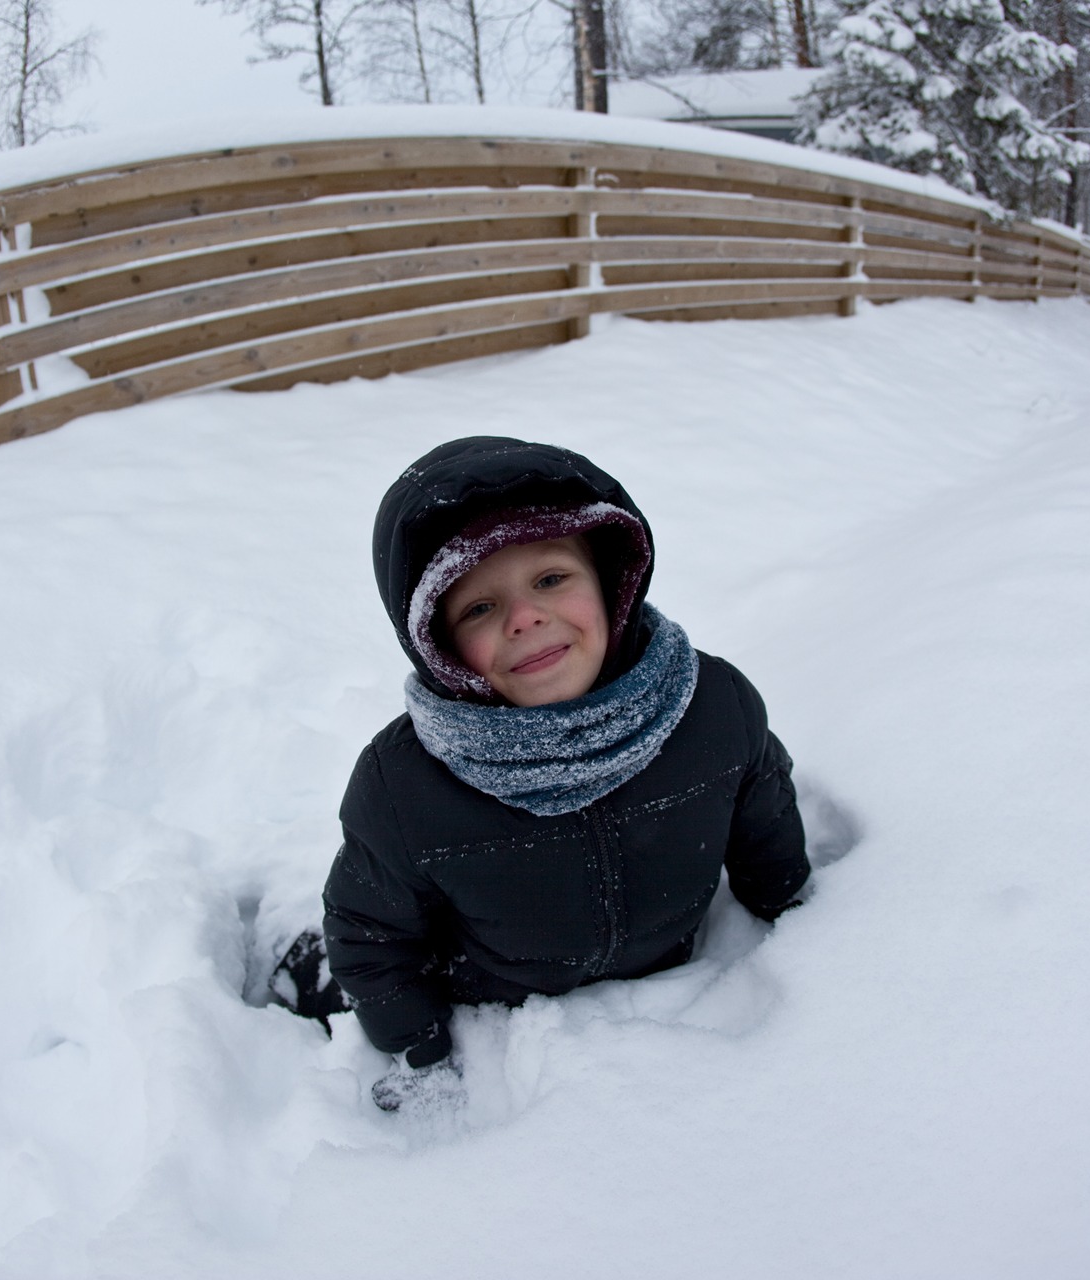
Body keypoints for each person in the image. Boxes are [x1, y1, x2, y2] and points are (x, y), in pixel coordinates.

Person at [315, 436, 812, 1111]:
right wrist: (418, 1044)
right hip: (494, 996)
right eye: (480, 608)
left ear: (613, 585)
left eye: (551, 579)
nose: (526, 617)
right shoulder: (403, 785)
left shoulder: (711, 708)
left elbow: (767, 817)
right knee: (340, 971)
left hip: (669, 995)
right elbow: (371, 935)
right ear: (439, 641)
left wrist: (794, 912)